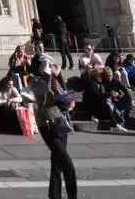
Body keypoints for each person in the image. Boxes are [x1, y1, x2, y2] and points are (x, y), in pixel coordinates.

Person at [33, 69, 77, 199]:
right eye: (54, 67)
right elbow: (47, 98)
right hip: (48, 125)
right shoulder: (39, 82)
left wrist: (69, 104)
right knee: (68, 165)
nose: (57, 69)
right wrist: (48, 72)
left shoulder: (56, 81)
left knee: (57, 163)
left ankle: (54, 195)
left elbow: (64, 98)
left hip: (60, 123)